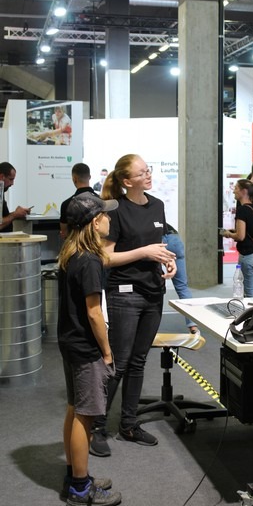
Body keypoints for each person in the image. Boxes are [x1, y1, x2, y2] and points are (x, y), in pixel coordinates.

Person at [90, 154, 177, 457]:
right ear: (127, 181)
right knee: (119, 363)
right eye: (142, 173)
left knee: (138, 362)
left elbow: (158, 247)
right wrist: (144, 252)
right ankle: (96, 426)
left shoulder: (157, 205)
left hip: (153, 292)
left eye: (148, 170)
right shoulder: (115, 210)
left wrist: (167, 262)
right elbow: (106, 258)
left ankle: (128, 424)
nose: (148, 175)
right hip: (125, 294)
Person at [58, 191, 122, 506]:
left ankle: (75, 476)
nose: (109, 218)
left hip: (70, 343)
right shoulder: (91, 261)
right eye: (105, 215)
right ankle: (81, 490)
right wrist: (107, 352)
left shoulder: (71, 254)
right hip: (86, 348)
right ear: (96, 223)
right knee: (85, 417)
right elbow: (95, 313)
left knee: (74, 409)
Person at [222, 179, 253, 298]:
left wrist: (228, 234)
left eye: (236, 188)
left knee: (249, 294)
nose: (234, 191)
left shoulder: (242, 210)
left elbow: (240, 236)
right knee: (250, 291)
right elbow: (250, 230)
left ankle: (252, 310)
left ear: (244, 191)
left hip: (247, 255)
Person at [163, 224, 198, 333]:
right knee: (182, 287)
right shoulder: (161, 220)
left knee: (153, 286)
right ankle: (193, 325)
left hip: (157, 241)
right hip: (175, 239)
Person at [59, 163, 96, 239]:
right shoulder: (101, 201)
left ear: (74, 179)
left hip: (74, 244)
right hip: (97, 244)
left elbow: (64, 232)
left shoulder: (66, 204)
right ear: (89, 177)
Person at [0, 161, 32, 232]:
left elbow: (2, 218)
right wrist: (14, 215)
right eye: (10, 179)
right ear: (2, 176)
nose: (12, 183)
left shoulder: (1, 192)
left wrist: (18, 213)